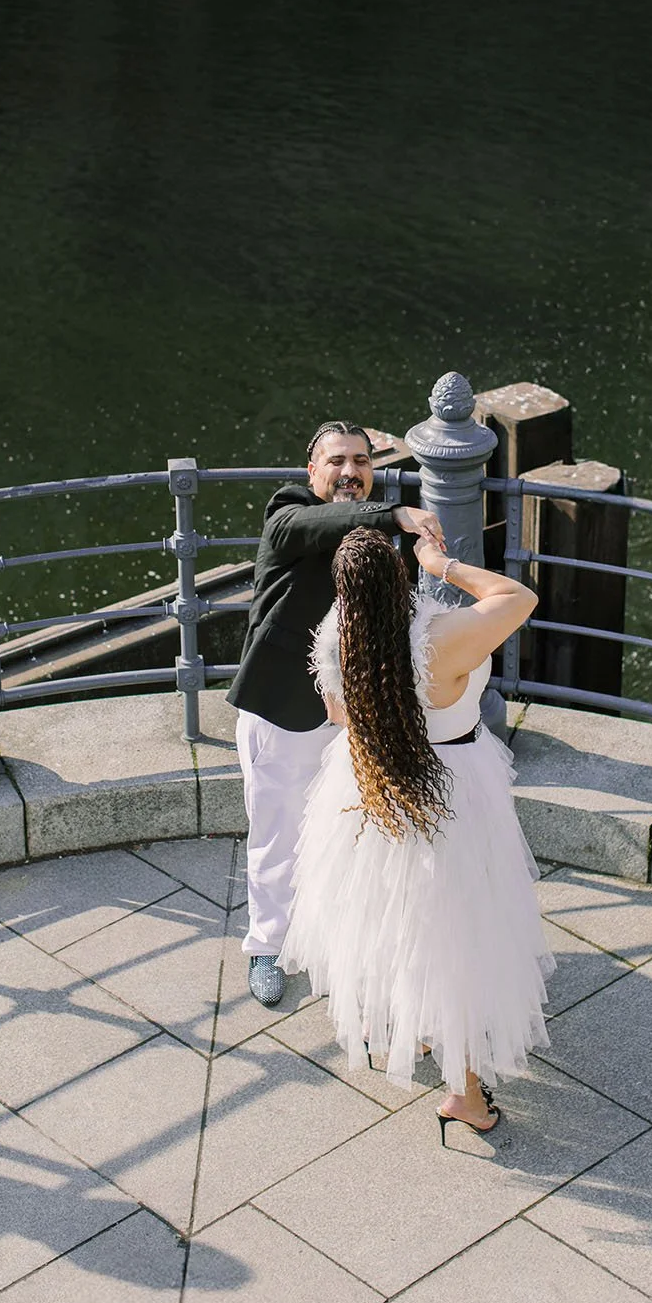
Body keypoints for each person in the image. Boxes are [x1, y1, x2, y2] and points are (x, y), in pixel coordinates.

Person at [279, 528, 554, 1141]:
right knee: (454, 931)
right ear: (403, 577)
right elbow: (518, 597)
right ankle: (464, 1093)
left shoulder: (336, 640)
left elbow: (337, 716)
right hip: (452, 788)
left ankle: (421, 1030)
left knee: (395, 918)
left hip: (371, 789)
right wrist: (442, 563)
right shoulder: (444, 637)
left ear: (342, 589)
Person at [227, 423, 445, 1007]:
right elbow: (309, 528)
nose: (350, 471)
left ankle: (339, 943)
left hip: (356, 713)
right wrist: (393, 515)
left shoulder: (374, 530)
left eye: (361, 461)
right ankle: (268, 945)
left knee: (349, 831)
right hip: (284, 707)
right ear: (312, 471)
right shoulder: (288, 514)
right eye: (337, 461)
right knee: (278, 833)